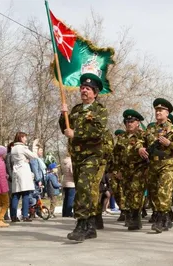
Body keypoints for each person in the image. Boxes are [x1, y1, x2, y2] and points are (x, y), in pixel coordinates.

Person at [59, 72, 108, 242]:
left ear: (95, 93)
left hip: (92, 156)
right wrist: (62, 114)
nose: (84, 91)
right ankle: (90, 227)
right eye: (82, 88)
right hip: (77, 156)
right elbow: (65, 129)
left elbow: (98, 131)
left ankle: (81, 225)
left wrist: (76, 133)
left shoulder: (99, 110)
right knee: (83, 189)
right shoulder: (76, 110)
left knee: (83, 186)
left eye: (88, 88)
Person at [137, 98, 173, 233]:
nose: (158, 112)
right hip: (152, 164)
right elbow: (141, 140)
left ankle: (161, 220)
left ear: (167, 113)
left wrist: (170, 144)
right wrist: (140, 148)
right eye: (156, 110)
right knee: (153, 193)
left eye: (161, 110)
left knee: (164, 191)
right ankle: (165, 215)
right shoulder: (151, 128)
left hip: (167, 164)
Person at [10, 132, 38, 222]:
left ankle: (13, 216)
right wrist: (34, 146)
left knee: (16, 195)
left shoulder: (13, 148)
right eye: (25, 137)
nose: (26, 139)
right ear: (21, 138)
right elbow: (34, 156)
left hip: (16, 172)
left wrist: (26, 159)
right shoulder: (22, 148)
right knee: (26, 194)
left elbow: (13, 160)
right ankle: (25, 215)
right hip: (23, 172)